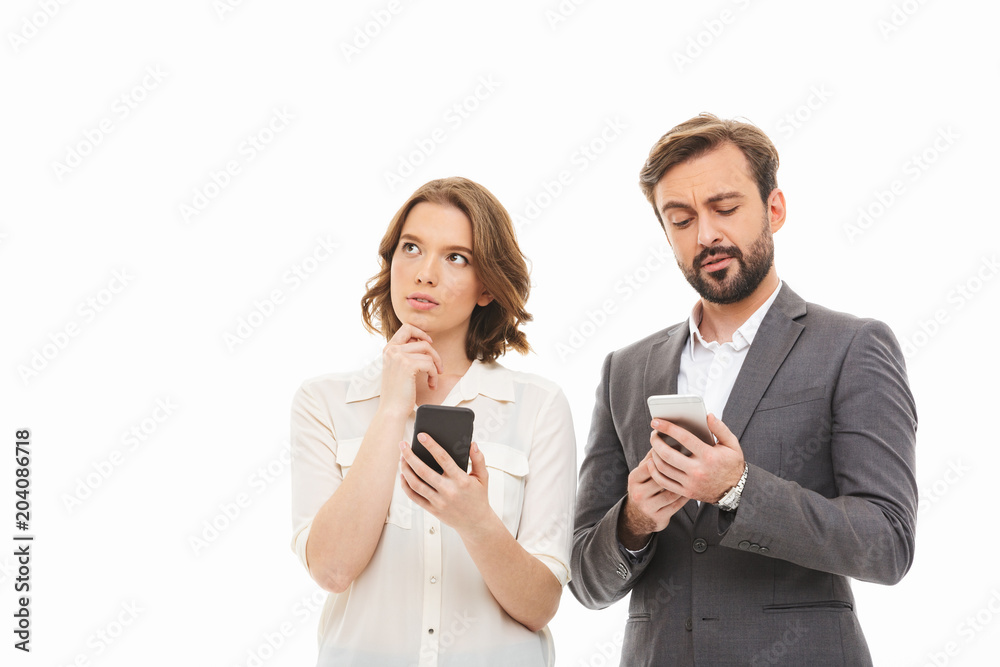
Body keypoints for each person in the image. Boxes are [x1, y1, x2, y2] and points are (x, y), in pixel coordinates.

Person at [569, 114, 917, 665]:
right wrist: (634, 521)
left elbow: (887, 543)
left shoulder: (853, 347)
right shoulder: (625, 369)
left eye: (725, 209)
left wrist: (739, 489)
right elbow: (586, 581)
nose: (706, 235)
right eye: (681, 219)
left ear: (774, 209)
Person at [290, 177, 577, 666]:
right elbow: (333, 570)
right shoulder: (323, 401)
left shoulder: (538, 406)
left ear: (486, 286)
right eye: (412, 248)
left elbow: (539, 606)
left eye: (456, 257)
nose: (425, 273)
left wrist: (476, 521)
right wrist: (390, 408)